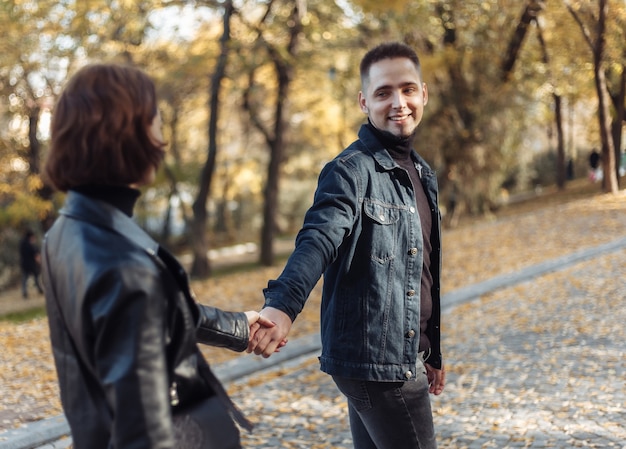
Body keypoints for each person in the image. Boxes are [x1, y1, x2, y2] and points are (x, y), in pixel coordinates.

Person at [42, 63, 280, 449]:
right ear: (126, 135)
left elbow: (157, 313)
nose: (162, 138)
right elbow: (145, 430)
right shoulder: (123, 266)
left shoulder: (66, 232)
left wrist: (239, 325)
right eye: (155, 121)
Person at [248, 42, 446, 448]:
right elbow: (318, 239)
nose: (399, 102)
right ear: (364, 101)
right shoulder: (350, 171)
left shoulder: (422, 174)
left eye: (408, 89)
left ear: (423, 93)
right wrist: (282, 307)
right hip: (380, 363)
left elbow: (426, 271)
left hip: (395, 357)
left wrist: (433, 352)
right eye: (383, 92)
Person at [18, 228, 44, 299]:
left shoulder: (22, 243)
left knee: (25, 279)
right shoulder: (30, 244)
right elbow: (35, 254)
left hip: (24, 264)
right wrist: (40, 262)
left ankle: (24, 292)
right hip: (31, 264)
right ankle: (39, 289)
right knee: (35, 277)